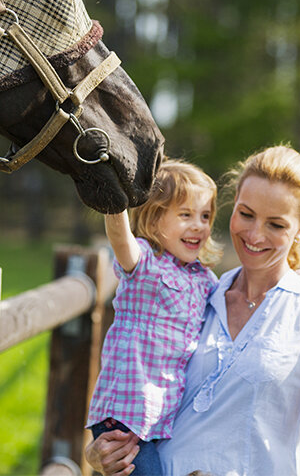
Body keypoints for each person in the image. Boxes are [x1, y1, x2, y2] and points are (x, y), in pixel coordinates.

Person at [86, 144, 300, 476]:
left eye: (276, 224)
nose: (254, 234)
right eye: (246, 214)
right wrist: (96, 454)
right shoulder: (201, 295)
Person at [85, 159, 222, 475]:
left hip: (160, 418)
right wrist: (113, 195)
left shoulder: (204, 279)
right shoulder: (146, 263)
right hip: (123, 419)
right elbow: (120, 239)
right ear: (154, 219)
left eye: (205, 216)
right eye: (185, 215)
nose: (199, 225)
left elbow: (238, 293)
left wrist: (285, 279)